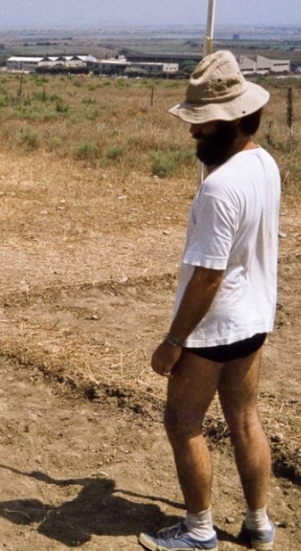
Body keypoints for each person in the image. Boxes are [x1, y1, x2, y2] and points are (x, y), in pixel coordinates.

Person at [139, 50, 279, 551]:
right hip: (255, 319)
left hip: (212, 328)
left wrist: (173, 342)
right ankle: (258, 524)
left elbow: (207, 277)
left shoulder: (219, 188)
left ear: (238, 118)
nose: (194, 132)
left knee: (183, 422)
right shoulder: (263, 163)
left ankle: (199, 531)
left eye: (204, 124)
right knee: (245, 419)